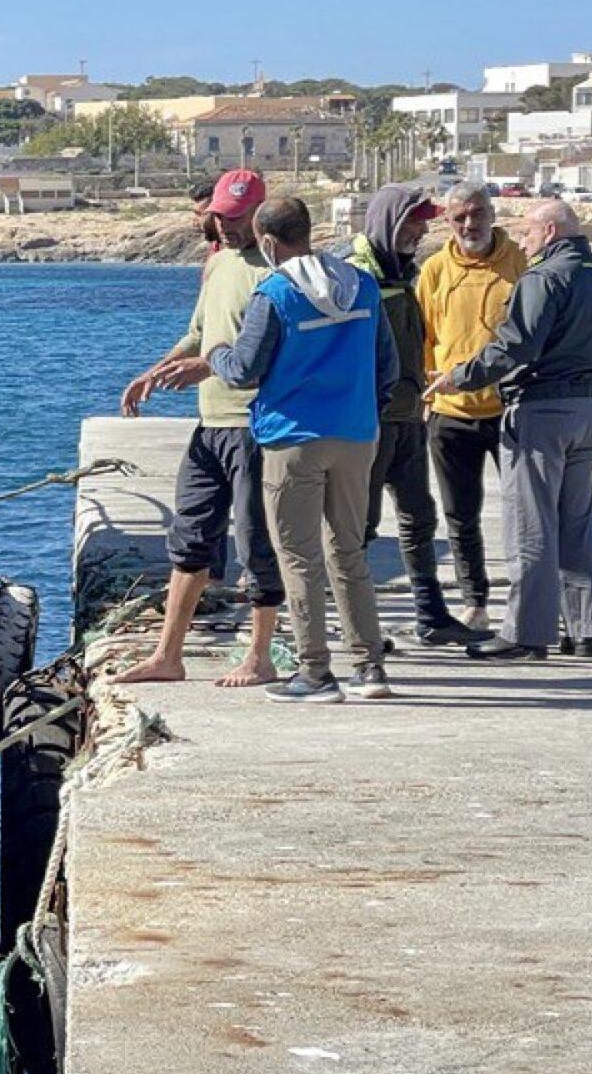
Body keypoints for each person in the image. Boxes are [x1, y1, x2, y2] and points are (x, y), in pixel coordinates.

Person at [205, 195, 398, 704]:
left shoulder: (274, 293)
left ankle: (315, 672)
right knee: (349, 551)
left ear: (267, 242)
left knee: (299, 556)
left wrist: (216, 354)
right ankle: (369, 666)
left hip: (293, 437)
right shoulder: (362, 286)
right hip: (357, 434)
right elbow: (388, 369)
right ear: (308, 231)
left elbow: (246, 369)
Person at [427, 199, 592, 661]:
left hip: (541, 411)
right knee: (578, 522)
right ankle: (583, 630)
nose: (522, 241)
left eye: (527, 233)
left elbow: (516, 345)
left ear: (551, 230)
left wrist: (459, 377)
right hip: (591, 412)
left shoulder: (543, 278)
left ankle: (525, 634)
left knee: (530, 525)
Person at [111, 169, 286, 689]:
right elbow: (198, 334)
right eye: (221, 216)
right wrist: (153, 371)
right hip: (210, 425)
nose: (227, 227)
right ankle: (169, 655)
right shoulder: (218, 264)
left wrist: (206, 368)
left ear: (259, 215)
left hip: (254, 424)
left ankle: (260, 655)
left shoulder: (273, 274)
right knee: (189, 539)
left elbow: (268, 356)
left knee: (257, 542)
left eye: (238, 218)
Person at [348, 184, 486, 648]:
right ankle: (358, 626)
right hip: (371, 423)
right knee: (359, 528)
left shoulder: (405, 275)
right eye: (412, 221)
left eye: (424, 221)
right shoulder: (355, 278)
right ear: (389, 221)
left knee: (418, 517)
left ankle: (431, 615)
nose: (420, 230)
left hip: (409, 417)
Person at [414, 184, 530, 631]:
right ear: (447, 220)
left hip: (509, 411)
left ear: (492, 214)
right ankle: (475, 602)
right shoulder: (435, 270)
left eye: (478, 214)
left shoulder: (520, 264)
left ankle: (531, 601)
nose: (469, 225)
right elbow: (423, 336)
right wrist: (425, 395)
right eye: (460, 217)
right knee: (460, 515)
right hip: (450, 414)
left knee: (526, 511)